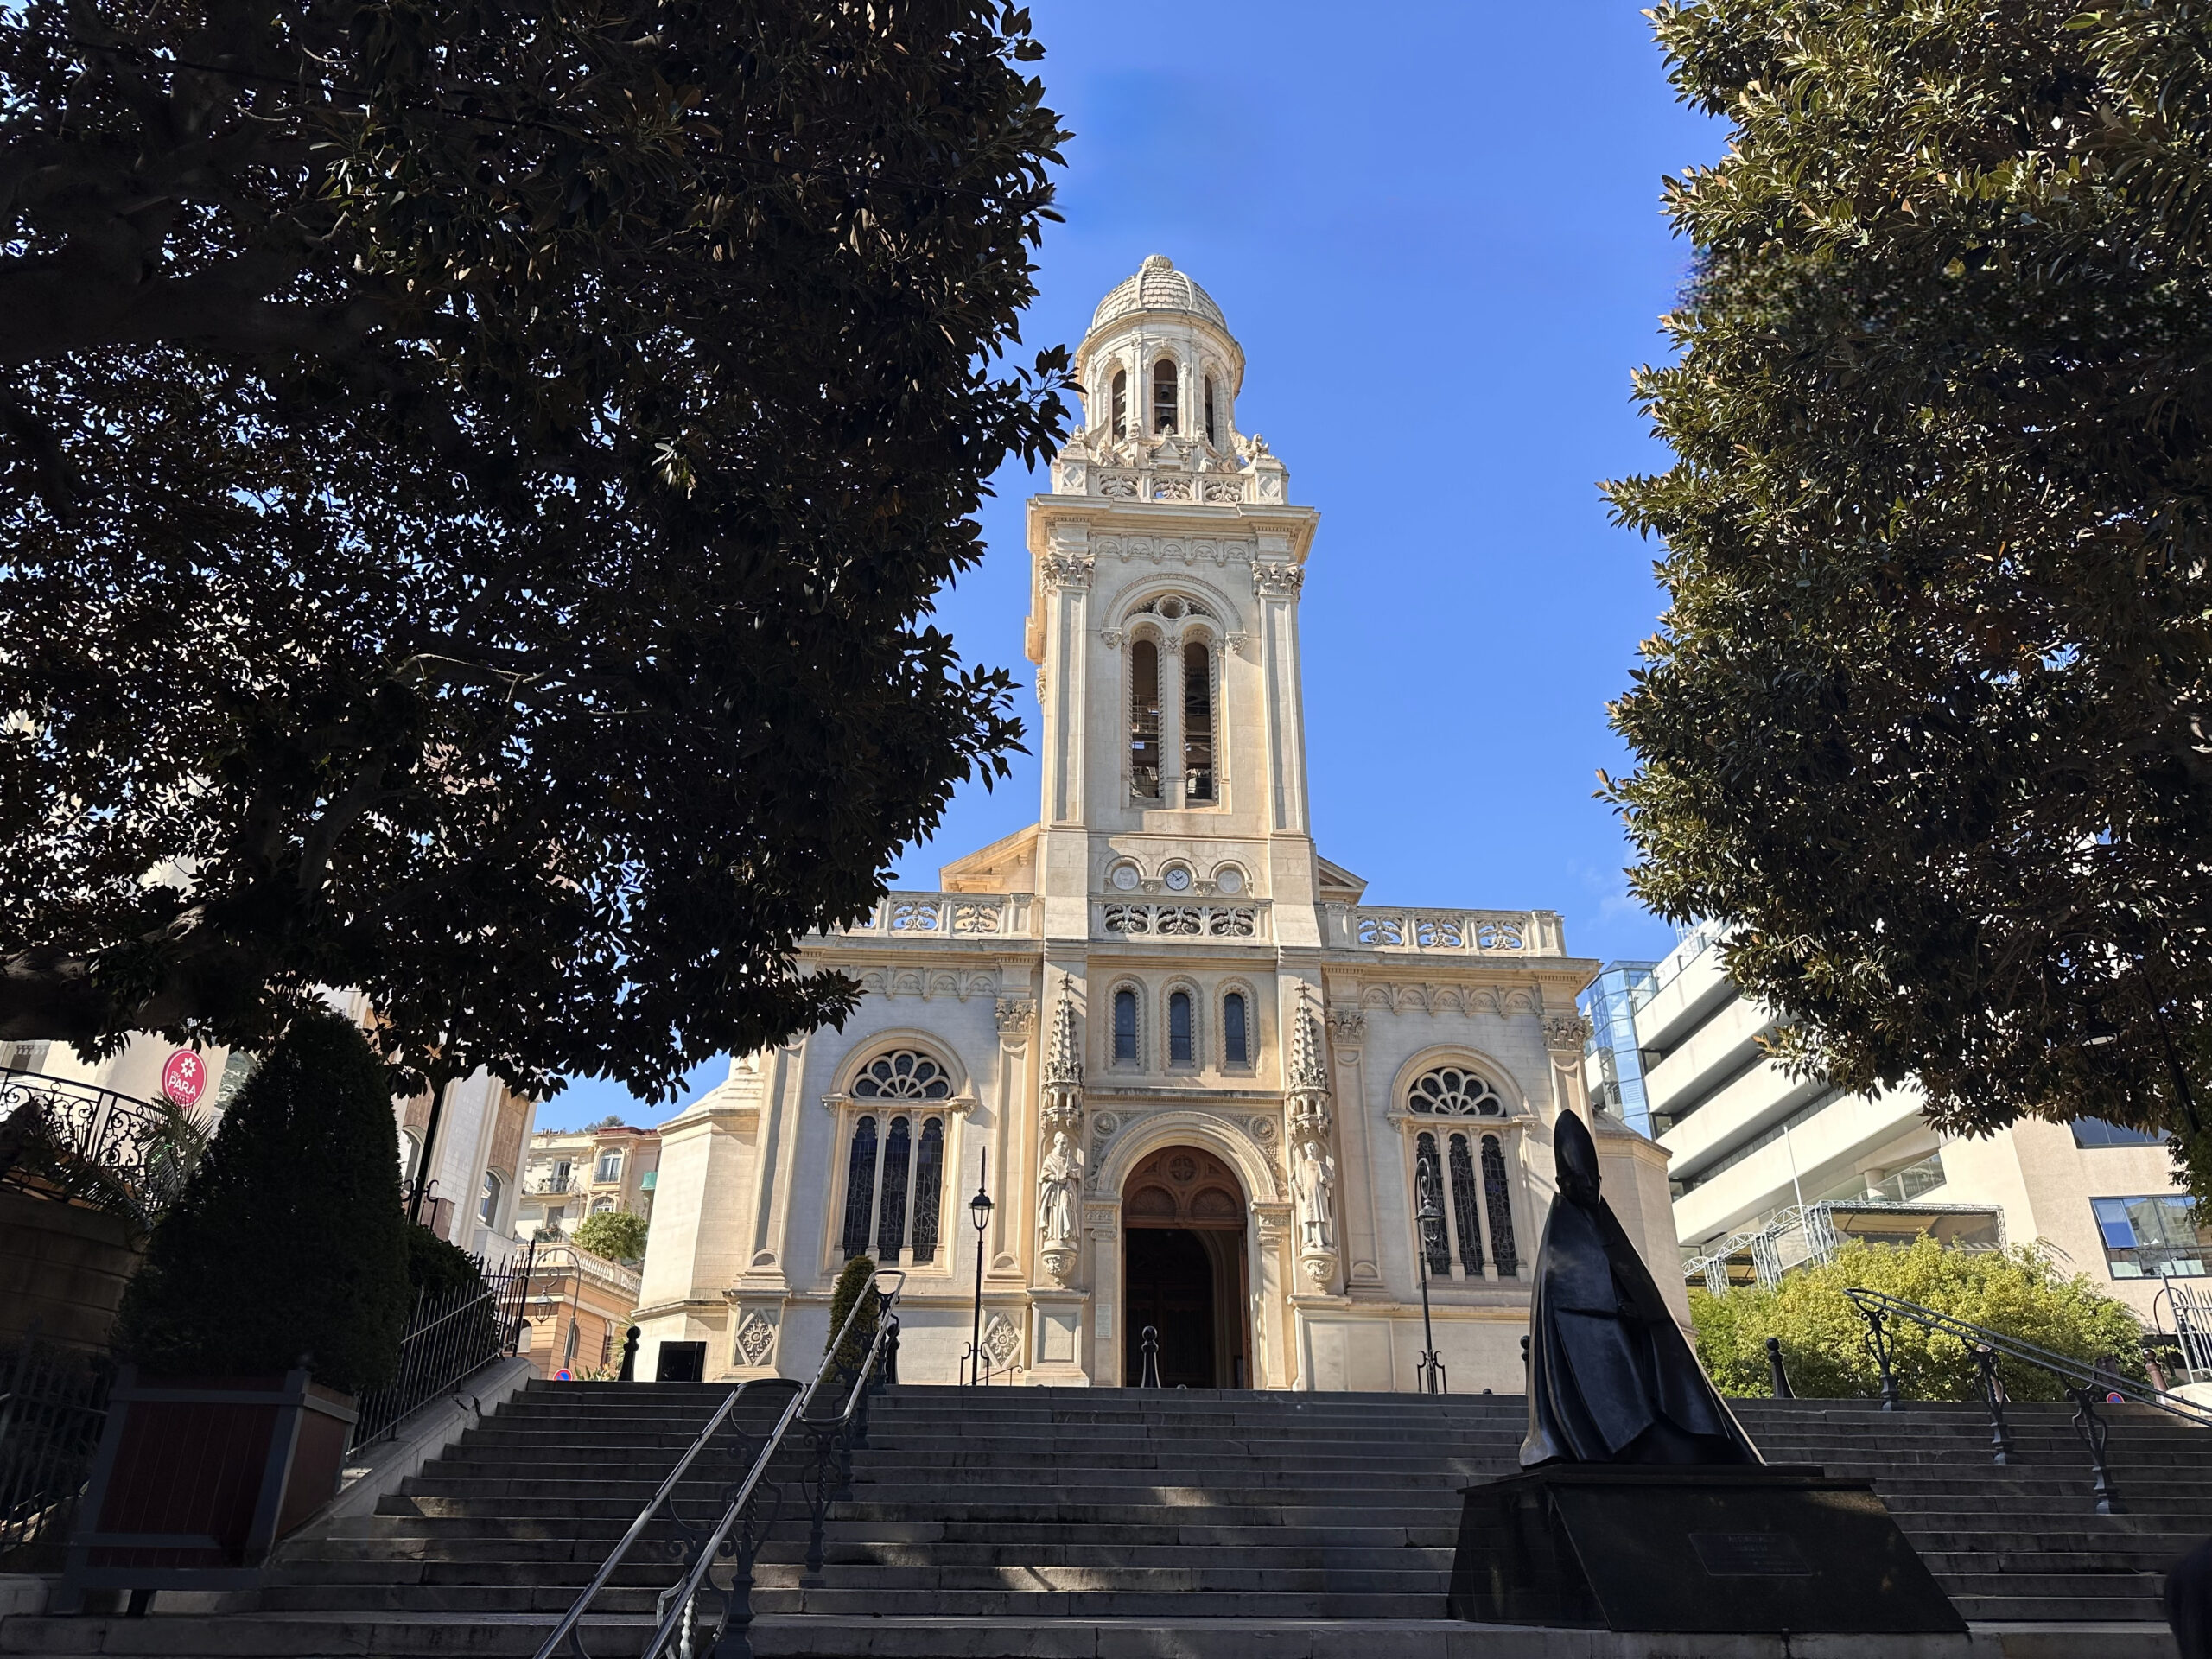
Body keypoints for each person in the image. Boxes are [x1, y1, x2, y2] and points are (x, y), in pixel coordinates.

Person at [1521, 1109, 1762, 1468]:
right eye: (1580, 1181)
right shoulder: (1562, 1239)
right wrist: (1615, 1308)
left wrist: (1639, 1311)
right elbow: (1572, 1300)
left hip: (1631, 1344)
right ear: (1563, 1181)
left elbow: (1635, 1289)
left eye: (1594, 1180)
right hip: (1602, 1352)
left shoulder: (1605, 1227)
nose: (1589, 1188)